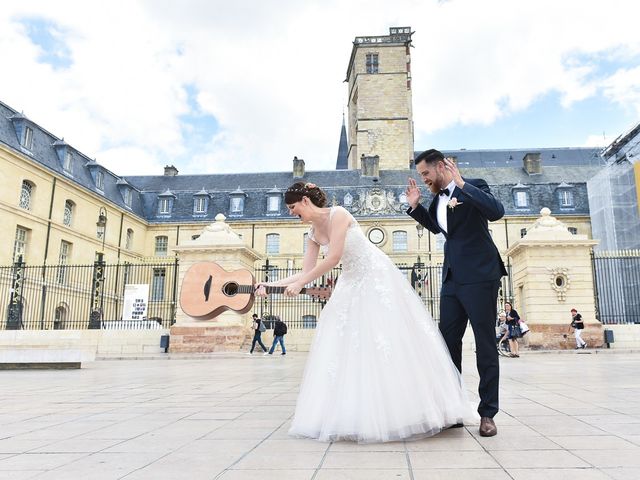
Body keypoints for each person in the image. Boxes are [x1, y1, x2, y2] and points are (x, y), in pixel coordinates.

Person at [255, 181, 477, 443]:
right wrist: (270, 285)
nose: (292, 213)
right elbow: (305, 272)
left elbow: (334, 257)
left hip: (375, 277)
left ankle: (416, 408)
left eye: (293, 207)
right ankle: (357, 413)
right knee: (348, 344)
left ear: (305, 201)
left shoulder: (339, 215)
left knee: (386, 338)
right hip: (350, 282)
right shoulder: (313, 233)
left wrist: (301, 283)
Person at [406, 149, 507, 437]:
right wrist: (416, 208)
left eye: (426, 173)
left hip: (479, 276)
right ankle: (453, 409)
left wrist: (462, 184)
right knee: (447, 345)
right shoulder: (437, 198)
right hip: (452, 278)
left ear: (441, 167)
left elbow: (496, 212)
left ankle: (487, 413)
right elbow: (439, 230)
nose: (424, 180)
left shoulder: (474, 185)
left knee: (485, 345)